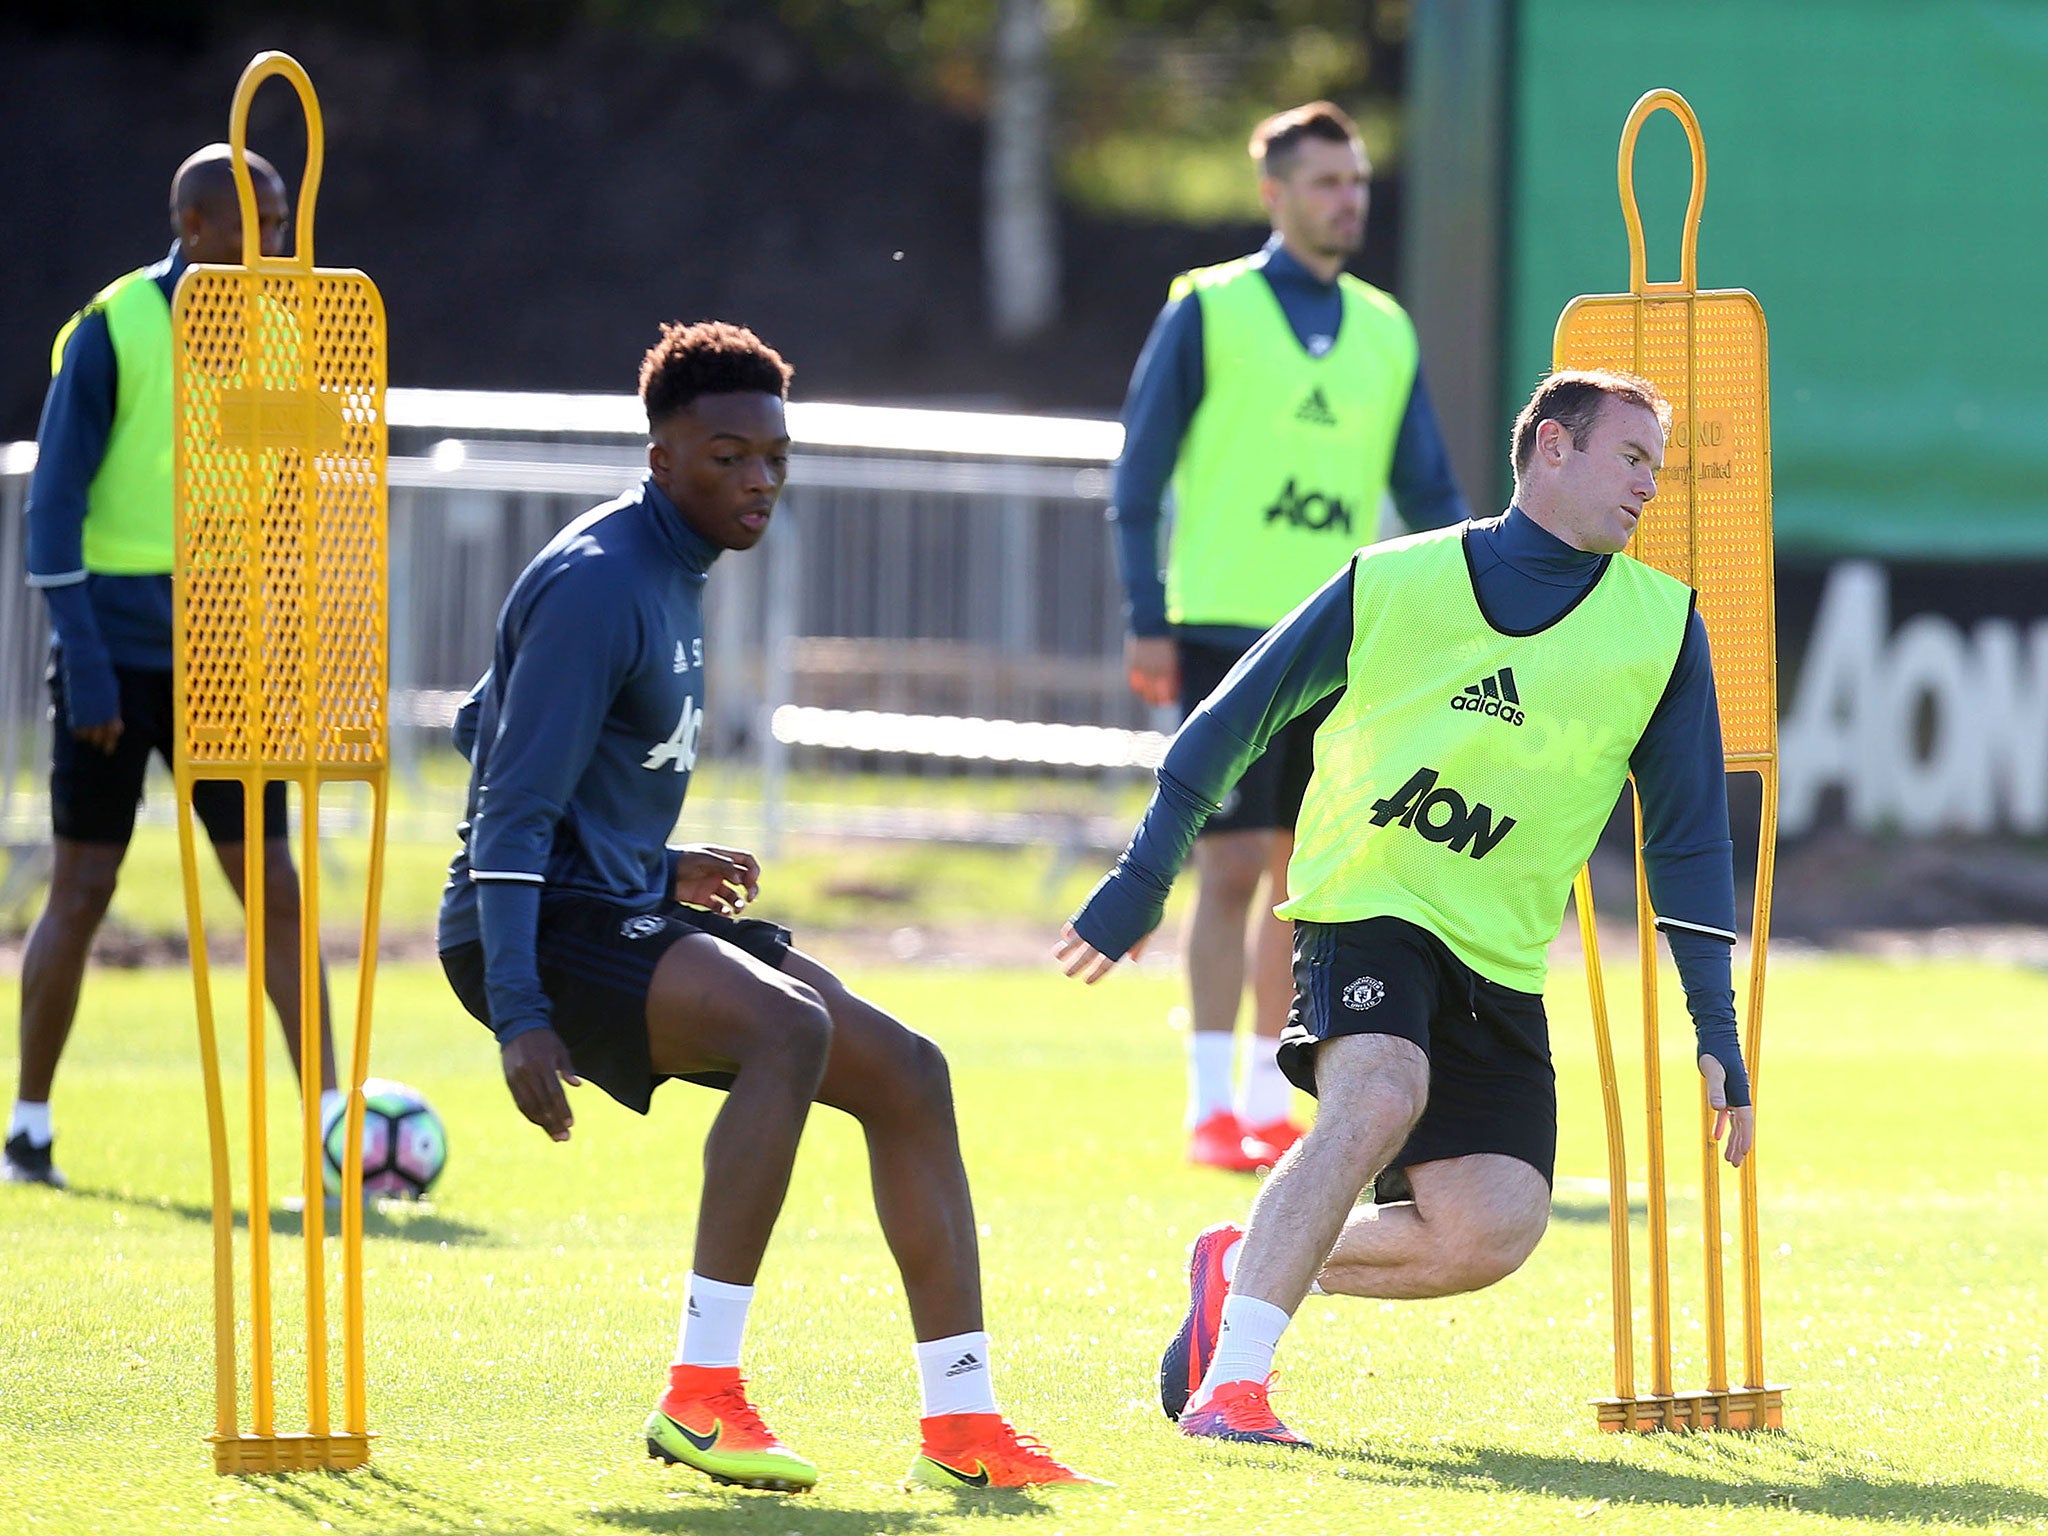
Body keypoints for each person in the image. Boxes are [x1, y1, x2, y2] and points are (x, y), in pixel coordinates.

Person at [436, 320, 1095, 1494]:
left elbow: (476, 720)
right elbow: (508, 803)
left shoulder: (669, 565)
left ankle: (964, 1428)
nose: (757, 481)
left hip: (611, 901)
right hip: (535, 927)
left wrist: (653, 851)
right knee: (784, 1027)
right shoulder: (600, 584)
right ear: (661, 458)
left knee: (909, 1070)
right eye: (726, 455)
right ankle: (700, 1397)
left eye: (774, 458)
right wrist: (517, 1006)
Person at [1057, 370, 1755, 1447]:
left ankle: (1243, 1267)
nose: (1648, 488)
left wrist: (1714, 1026)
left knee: (1489, 1230)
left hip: (1500, 956)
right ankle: (1234, 1388)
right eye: (1630, 460)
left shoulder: (1660, 628)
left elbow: (1688, 840)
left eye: (1657, 470)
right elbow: (1223, 726)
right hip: (1365, 901)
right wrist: (1142, 880)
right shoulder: (1394, 579)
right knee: (1380, 1090)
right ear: (1551, 450)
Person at [1110, 100, 1469, 1172]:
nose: (1345, 199)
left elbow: (1430, 490)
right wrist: (1146, 615)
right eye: (1324, 182)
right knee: (1225, 870)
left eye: (1355, 181)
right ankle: (1205, 1102)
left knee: (1300, 877)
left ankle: (1270, 1098)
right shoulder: (1206, 309)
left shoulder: (1384, 328)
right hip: (1221, 631)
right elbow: (1137, 477)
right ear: (1272, 192)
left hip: (1338, 638)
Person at [6, 145, 336, 1190]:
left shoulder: (288, 327)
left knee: (272, 890)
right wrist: (89, 662)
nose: (276, 244)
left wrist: (284, 638)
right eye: (258, 223)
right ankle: (28, 1128)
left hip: (230, 658)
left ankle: (337, 1133)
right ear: (194, 228)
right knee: (84, 888)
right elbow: (51, 509)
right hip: (114, 650)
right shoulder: (115, 328)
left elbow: (285, 495)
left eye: (284, 223)